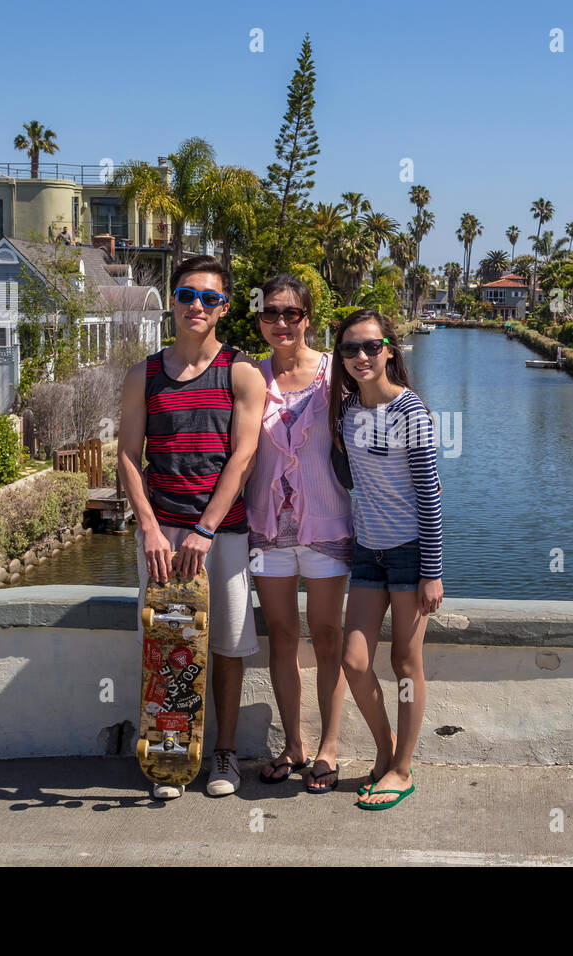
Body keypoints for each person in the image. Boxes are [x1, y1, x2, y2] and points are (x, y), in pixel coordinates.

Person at [118, 254, 266, 800]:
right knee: (166, 643)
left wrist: (204, 531)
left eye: (209, 297)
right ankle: (171, 752)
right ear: (172, 300)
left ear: (224, 308)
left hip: (220, 536)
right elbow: (129, 457)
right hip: (162, 536)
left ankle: (223, 751)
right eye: (186, 295)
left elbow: (243, 456)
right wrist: (152, 529)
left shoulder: (242, 373)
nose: (196, 306)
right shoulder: (144, 374)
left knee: (225, 646)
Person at [329, 309, 443, 810]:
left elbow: (429, 495)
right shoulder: (347, 412)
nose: (361, 356)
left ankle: (402, 769)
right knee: (353, 660)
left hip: (409, 553)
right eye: (350, 348)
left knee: (403, 661)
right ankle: (384, 752)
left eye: (371, 346)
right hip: (367, 553)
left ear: (390, 350)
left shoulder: (410, 411)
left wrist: (432, 570)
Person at [246, 274, 353, 794]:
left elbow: (383, 417)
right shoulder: (249, 376)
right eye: (271, 313)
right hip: (266, 532)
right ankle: (294, 744)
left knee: (328, 637)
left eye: (292, 313)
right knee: (283, 638)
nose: (282, 322)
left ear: (308, 318)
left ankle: (329, 747)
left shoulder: (337, 372)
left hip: (328, 526)